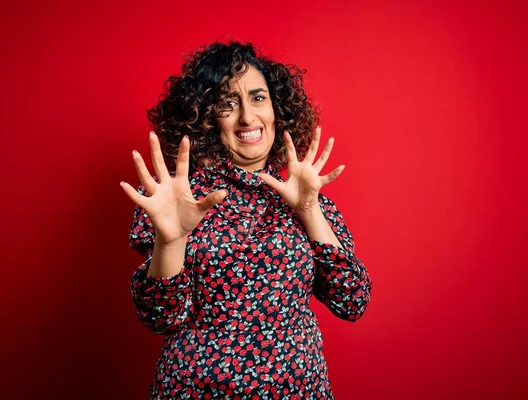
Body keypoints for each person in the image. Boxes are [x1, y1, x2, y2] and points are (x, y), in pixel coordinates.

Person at [120, 41, 372, 399]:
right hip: (197, 390)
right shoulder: (179, 199)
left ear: (277, 108)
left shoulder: (306, 197)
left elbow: (352, 301)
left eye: (258, 98)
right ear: (205, 118)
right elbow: (162, 319)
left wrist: (308, 210)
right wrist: (172, 241)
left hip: (297, 390)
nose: (248, 118)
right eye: (227, 104)